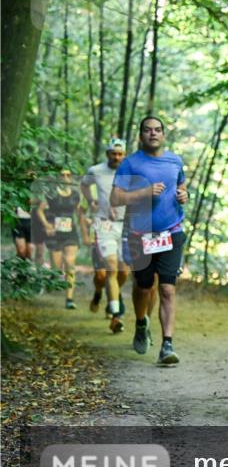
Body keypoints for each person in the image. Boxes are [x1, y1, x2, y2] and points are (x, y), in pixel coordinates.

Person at [111, 116, 188, 365]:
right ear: (141, 135)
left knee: (167, 288)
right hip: (139, 234)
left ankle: (167, 344)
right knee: (143, 286)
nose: (153, 134)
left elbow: (182, 187)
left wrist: (183, 195)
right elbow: (115, 198)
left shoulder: (175, 160)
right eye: (147, 130)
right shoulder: (130, 164)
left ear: (163, 134)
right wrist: (144, 192)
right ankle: (141, 322)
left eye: (157, 130)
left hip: (171, 232)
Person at [82, 138, 130, 333]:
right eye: (113, 153)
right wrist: (91, 201)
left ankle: (108, 296)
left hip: (125, 226)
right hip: (104, 225)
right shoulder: (96, 171)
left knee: (124, 272)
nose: (116, 157)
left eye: (120, 154)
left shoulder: (131, 171)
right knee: (110, 269)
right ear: (107, 154)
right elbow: (84, 185)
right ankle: (116, 315)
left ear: (124, 155)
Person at [34, 169, 86, 308]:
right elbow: (39, 209)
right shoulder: (52, 194)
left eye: (68, 175)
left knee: (70, 263)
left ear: (71, 178)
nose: (65, 177)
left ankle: (69, 299)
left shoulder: (76, 195)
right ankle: (51, 280)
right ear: (58, 177)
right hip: (54, 234)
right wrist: (46, 224)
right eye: (62, 174)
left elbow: (80, 213)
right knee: (56, 267)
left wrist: (85, 229)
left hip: (70, 232)